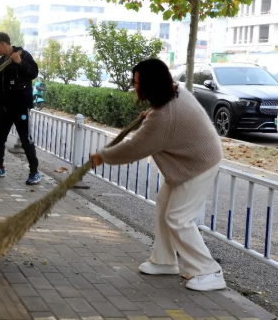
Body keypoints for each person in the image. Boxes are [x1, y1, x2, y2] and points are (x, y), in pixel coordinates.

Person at [90, 58, 226, 292]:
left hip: (199, 164)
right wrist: (151, 113)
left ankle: (208, 271)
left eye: (137, 83)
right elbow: (164, 123)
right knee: (164, 204)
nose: (135, 87)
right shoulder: (174, 92)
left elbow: (135, 148)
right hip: (194, 159)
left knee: (178, 217)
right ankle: (164, 261)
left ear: (151, 85)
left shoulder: (163, 117)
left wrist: (104, 155)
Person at [0, 32, 41, 186]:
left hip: (20, 107)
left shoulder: (23, 55)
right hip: (3, 108)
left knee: (25, 139)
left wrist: (20, 62)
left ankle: (34, 172)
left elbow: (33, 73)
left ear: (2, 43)